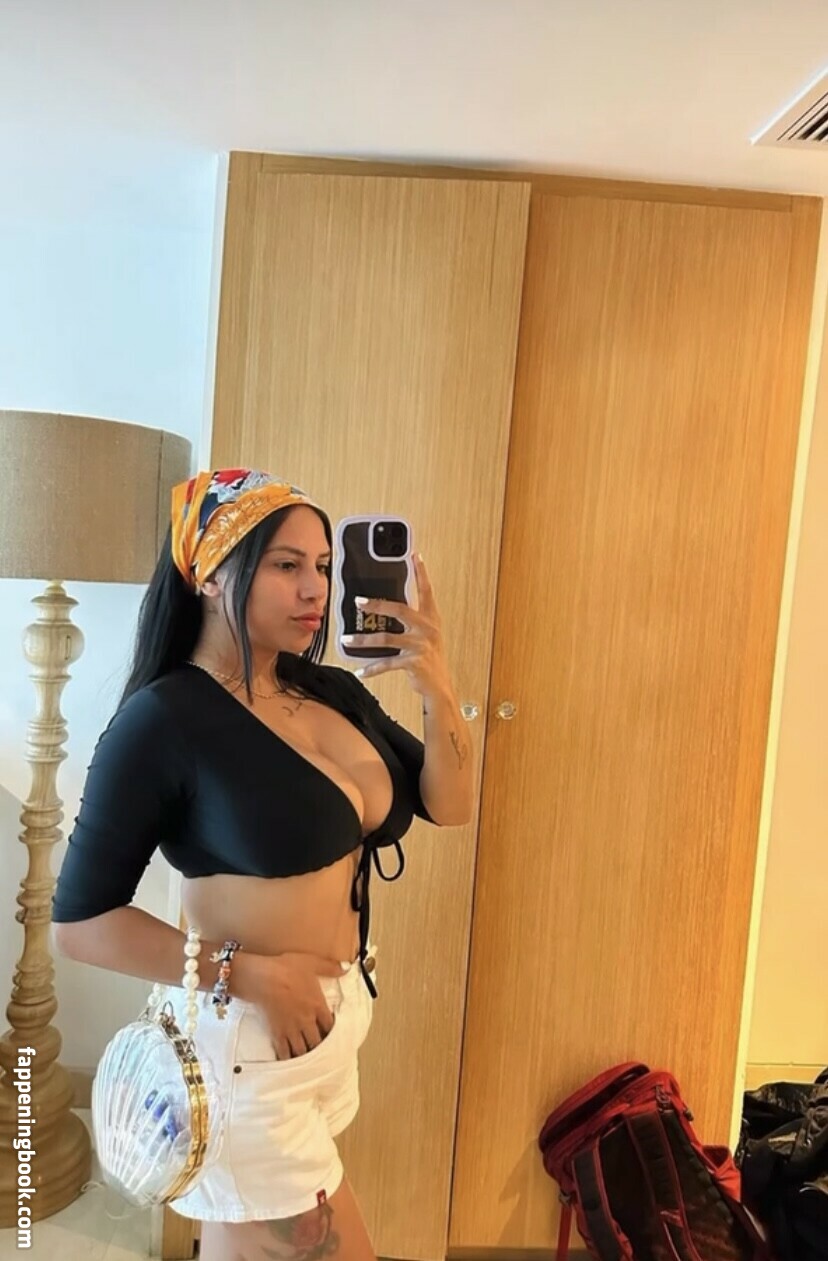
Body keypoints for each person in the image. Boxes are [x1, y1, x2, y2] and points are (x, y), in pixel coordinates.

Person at [51, 468, 473, 1261]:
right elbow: (79, 924)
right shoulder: (163, 719)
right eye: (286, 564)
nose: (314, 588)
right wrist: (246, 974)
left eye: (323, 565)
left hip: (325, 1030)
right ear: (211, 575)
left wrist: (437, 685)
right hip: (243, 1044)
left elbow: (449, 804)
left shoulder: (328, 690)